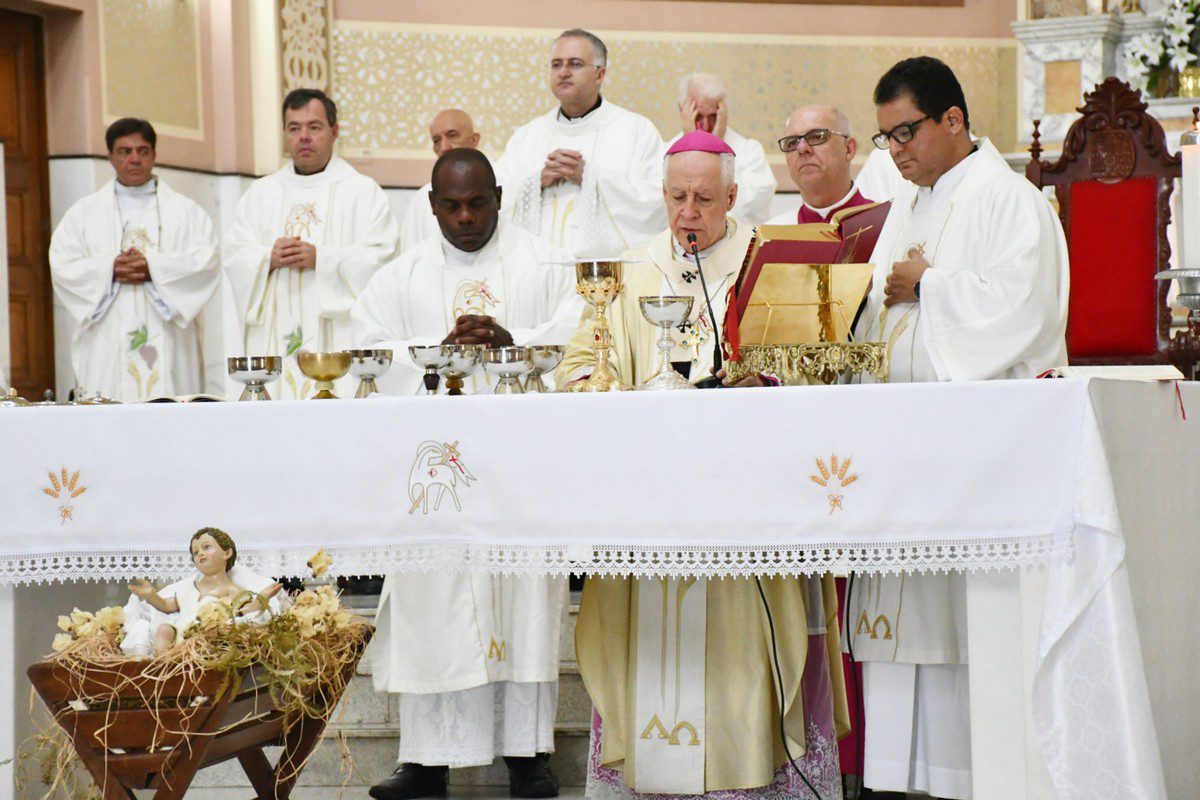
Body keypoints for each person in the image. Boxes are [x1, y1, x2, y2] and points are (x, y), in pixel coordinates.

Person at [556, 131, 848, 799]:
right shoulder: (630, 272)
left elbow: (816, 368)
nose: (688, 212)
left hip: (743, 508)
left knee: (737, 653)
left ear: (734, 196)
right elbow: (579, 363)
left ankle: (748, 780)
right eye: (677, 197)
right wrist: (594, 386)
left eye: (705, 199)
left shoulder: (769, 265)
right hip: (647, 507)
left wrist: (767, 384)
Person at [848, 56, 1069, 800]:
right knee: (905, 625)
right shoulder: (906, 206)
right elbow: (879, 311)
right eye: (885, 137)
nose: (895, 150)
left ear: (953, 119)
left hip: (975, 455)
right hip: (903, 446)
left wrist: (931, 286)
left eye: (906, 132)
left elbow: (1026, 307)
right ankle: (895, 781)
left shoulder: (1010, 201)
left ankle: (972, 781)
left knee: (964, 631)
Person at [353, 148, 580, 800]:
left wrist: (514, 345)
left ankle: (527, 756)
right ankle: (425, 762)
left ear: (499, 197)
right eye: (451, 205)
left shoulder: (545, 264)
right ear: (430, 205)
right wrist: (435, 357)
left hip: (520, 472)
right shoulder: (400, 279)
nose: (465, 217)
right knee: (435, 608)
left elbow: (579, 335)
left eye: (478, 202)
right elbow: (368, 353)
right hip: (436, 479)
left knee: (522, 601)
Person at [224, 88, 399, 399]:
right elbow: (235, 255)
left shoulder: (362, 192)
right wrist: (267, 258)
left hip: (337, 337)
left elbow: (382, 260)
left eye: (314, 127)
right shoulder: (261, 194)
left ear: (334, 131)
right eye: (294, 128)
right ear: (284, 133)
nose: (303, 137)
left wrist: (322, 258)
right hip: (274, 338)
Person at [49, 118, 219, 401]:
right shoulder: (84, 214)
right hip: (106, 340)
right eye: (124, 152)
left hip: (169, 335)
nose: (134, 159)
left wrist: (154, 269)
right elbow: (63, 264)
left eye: (142, 151)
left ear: (154, 155)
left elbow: (205, 262)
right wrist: (109, 269)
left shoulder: (187, 213)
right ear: (110, 157)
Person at [496, 28, 664, 258]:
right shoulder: (527, 136)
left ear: (599, 74)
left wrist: (590, 176)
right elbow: (495, 197)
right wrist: (536, 182)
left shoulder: (636, 130)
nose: (563, 72)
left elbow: (656, 202)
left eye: (575, 64)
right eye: (556, 65)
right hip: (538, 268)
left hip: (606, 272)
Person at [127, 528, 282, 655]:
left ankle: (183, 662)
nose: (200, 553)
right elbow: (167, 605)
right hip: (179, 637)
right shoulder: (187, 588)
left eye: (206, 547)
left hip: (206, 639)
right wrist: (151, 596)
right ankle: (165, 664)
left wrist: (261, 600)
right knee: (164, 629)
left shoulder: (232, 589)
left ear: (227, 553)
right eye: (195, 552)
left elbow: (243, 611)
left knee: (216, 635)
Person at [668, 72, 776, 226]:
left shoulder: (751, 151)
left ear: (724, 111)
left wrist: (715, 148)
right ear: (682, 111)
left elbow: (752, 208)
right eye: (698, 116)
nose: (706, 125)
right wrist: (692, 145)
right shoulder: (667, 154)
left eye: (713, 116)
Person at [766, 104, 872, 225]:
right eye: (792, 142)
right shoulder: (772, 233)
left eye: (817, 136)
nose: (801, 148)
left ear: (848, 149)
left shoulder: (885, 224)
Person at [400, 109, 482, 250]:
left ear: (474, 140)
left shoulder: (503, 186)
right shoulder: (422, 198)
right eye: (436, 141)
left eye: (452, 135)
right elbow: (410, 256)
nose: (444, 147)